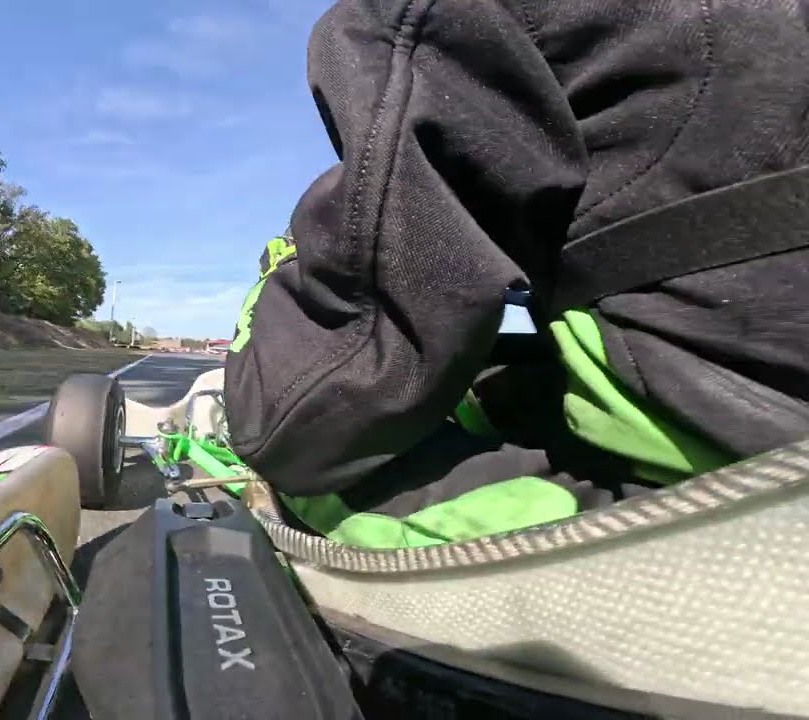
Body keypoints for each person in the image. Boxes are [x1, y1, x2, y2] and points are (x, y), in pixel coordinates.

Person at [223, 0, 809, 549]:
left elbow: (307, 418)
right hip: (766, 447)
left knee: (313, 457)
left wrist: (279, 296)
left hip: (713, 514)